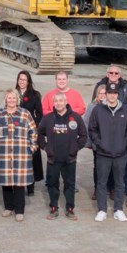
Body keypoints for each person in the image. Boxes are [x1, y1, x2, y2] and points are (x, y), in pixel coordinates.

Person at [0, 89, 38, 222]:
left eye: (13, 98)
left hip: (21, 155)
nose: (11, 100)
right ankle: (8, 207)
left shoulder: (25, 114)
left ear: (17, 99)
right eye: (9, 98)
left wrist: (32, 148)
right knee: (6, 183)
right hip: (2, 154)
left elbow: (33, 132)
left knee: (19, 183)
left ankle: (19, 210)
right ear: (5, 99)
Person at [89, 82, 127, 222]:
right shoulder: (98, 110)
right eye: (110, 93)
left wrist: (124, 143)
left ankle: (118, 210)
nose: (112, 95)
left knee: (119, 183)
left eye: (115, 93)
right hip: (103, 154)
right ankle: (102, 210)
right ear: (106, 94)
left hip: (120, 154)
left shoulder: (125, 110)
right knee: (101, 183)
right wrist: (100, 144)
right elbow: (92, 129)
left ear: (118, 95)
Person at [38, 92, 88, 220]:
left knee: (69, 185)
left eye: (61, 100)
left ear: (66, 102)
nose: (59, 103)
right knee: (52, 184)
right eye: (56, 101)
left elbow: (83, 136)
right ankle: (54, 207)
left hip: (69, 159)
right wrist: (45, 147)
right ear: (53, 103)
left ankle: (70, 208)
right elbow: (39, 134)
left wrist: (75, 148)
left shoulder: (75, 118)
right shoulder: (47, 118)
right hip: (53, 159)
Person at [16, 70, 44, 196]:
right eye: (20, 79)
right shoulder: (13, 93)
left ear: (28, 82)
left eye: (24, 80)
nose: (22, 82)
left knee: (31, 158)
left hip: (29, 131)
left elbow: (39, 114)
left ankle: (30, 187)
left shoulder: (34, 95)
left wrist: (33, 126)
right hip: (16, 131)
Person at [83, 83, 106, 200]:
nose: (102, 95)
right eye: (100, 93)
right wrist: (89, 142)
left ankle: (110, 188)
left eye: (104, 93)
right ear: (97, 94)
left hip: (109, 143)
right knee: (98, 167)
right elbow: (86, 123)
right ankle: (97, 189)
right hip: (97, 143)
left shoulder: (112, 106)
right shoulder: (92, 106)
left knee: (110, 167)